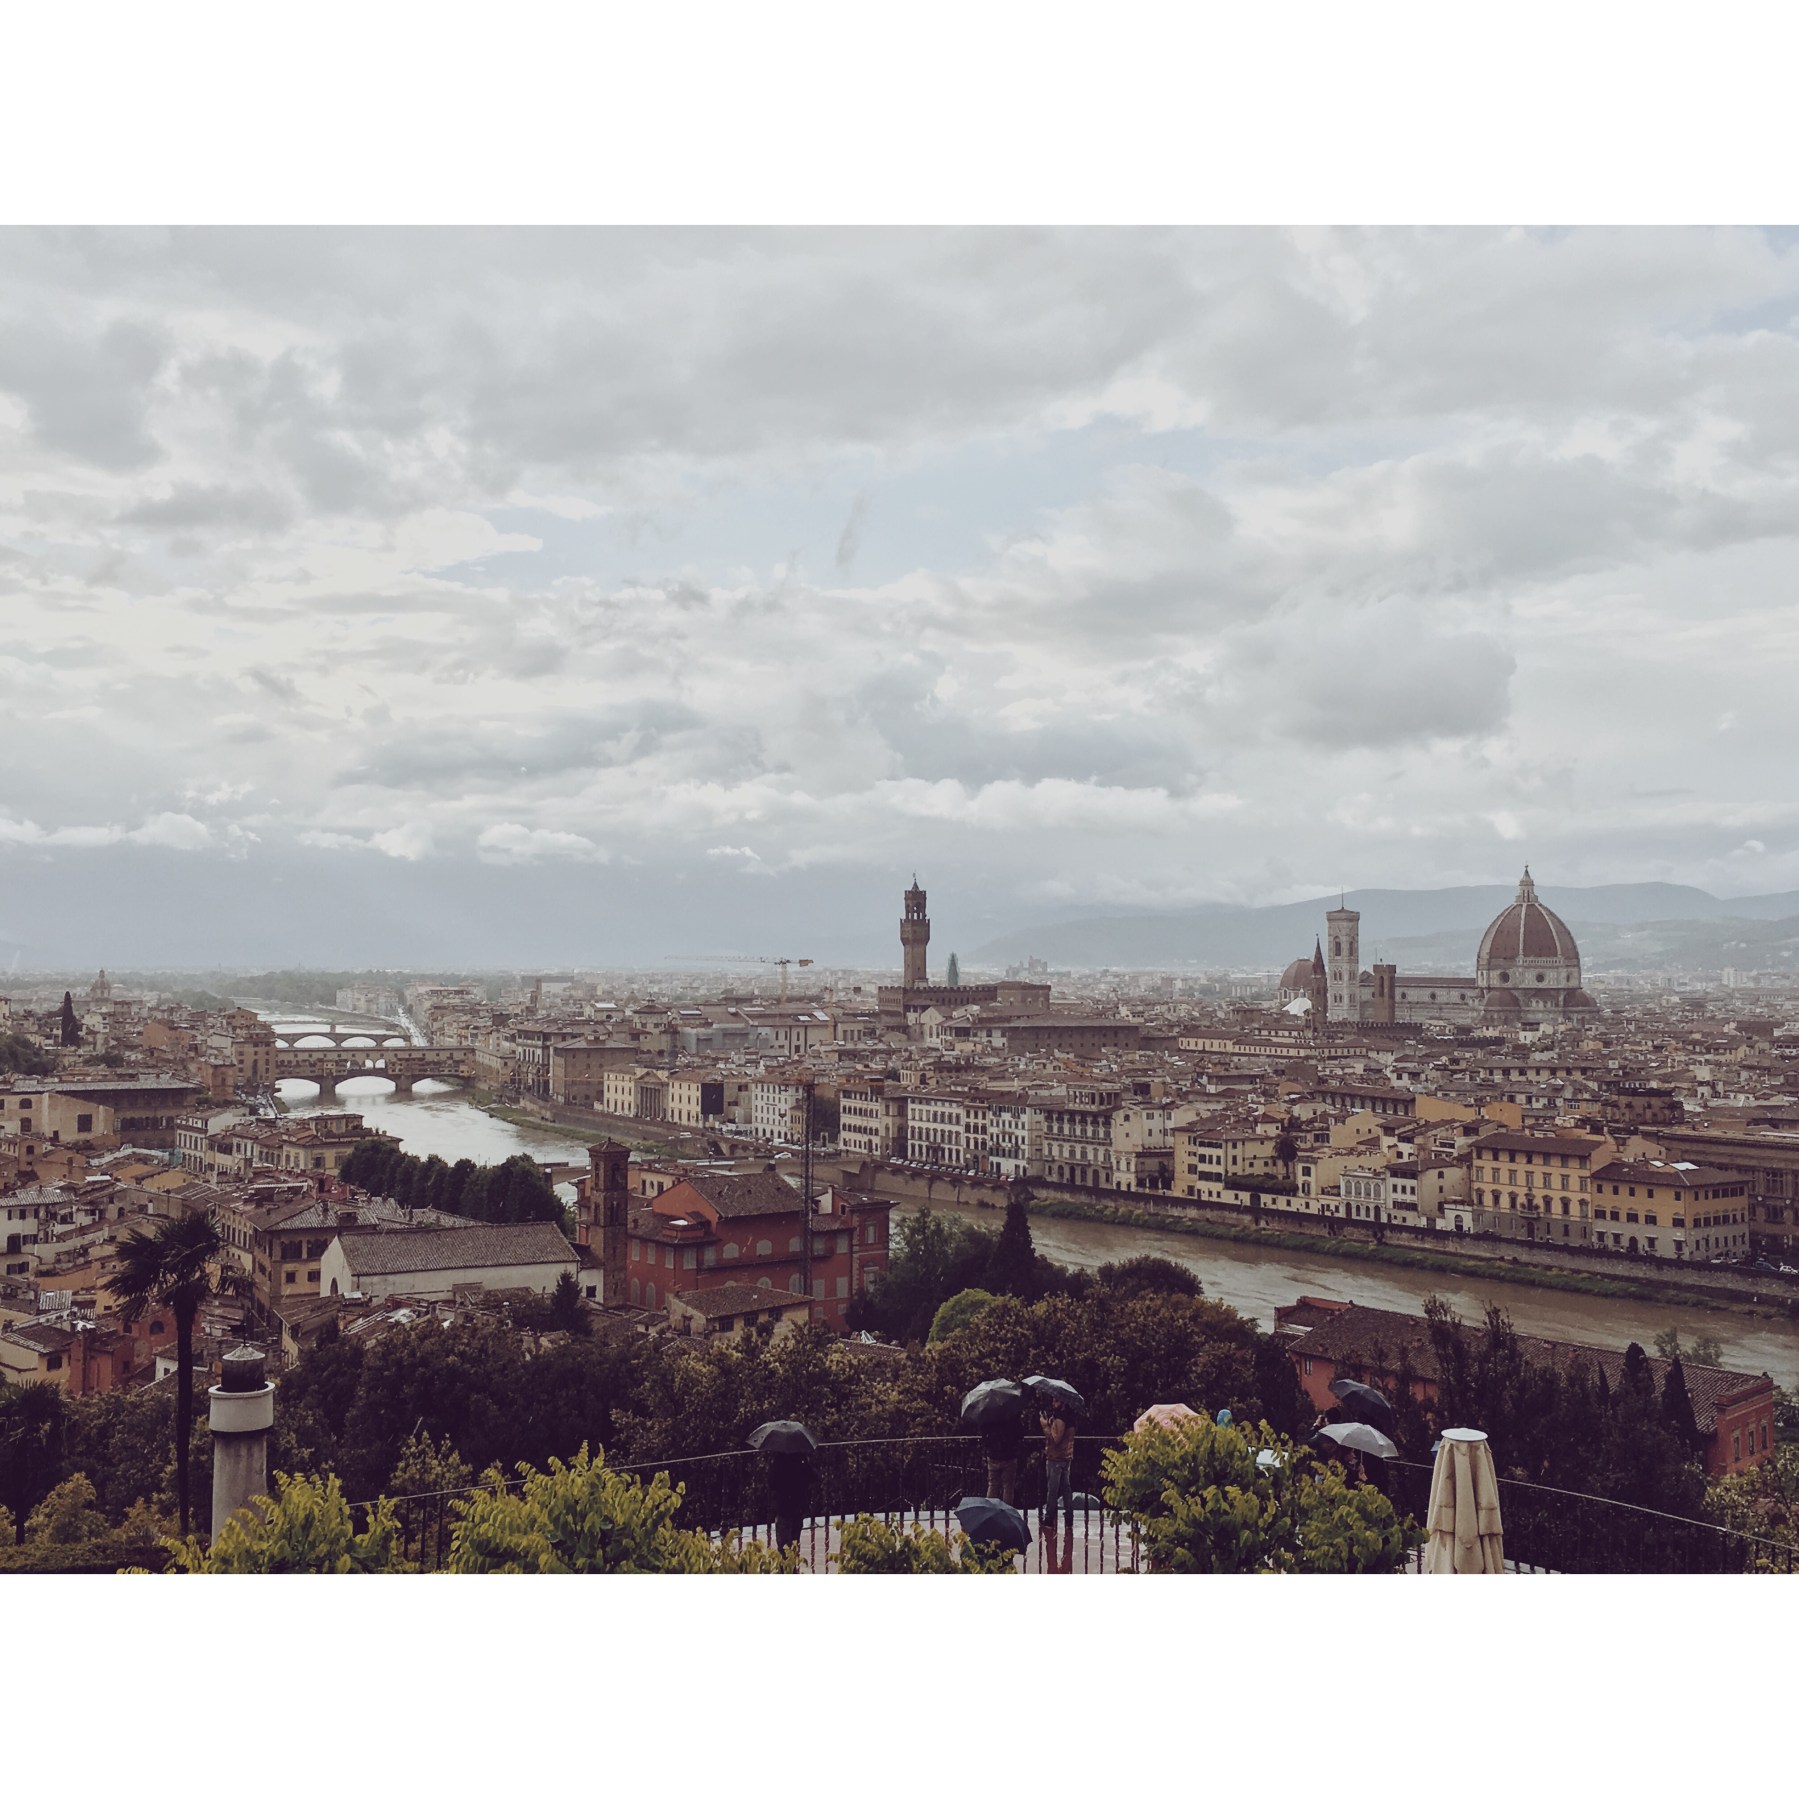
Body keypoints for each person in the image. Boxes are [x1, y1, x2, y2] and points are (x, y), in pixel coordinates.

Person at [767, 1451, 811, 1557]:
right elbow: (813, 1477)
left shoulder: (778, 1460)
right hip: (798, 1506)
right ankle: (792, 1563)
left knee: (784, 1547)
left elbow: (771, 1482)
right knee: (795, 1542)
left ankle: (786, 1564)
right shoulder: (801, 1458)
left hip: (783, 1507)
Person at [1040, 1400, 1075, 1526]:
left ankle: (1049, 1517)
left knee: (1053, 1489)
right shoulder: (1069, 1418)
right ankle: (1069, 1515)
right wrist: (1051, 1423)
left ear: (1063, 1403)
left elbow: (1055, 1439)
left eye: (1056, 1401)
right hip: (1066, 1457)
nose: (1053, 1403)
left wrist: (1045, 1425)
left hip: (1056, 1458)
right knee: (1066, 1488)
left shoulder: (1060, 1419)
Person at [981, 1405, 1025, 1504]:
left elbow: (984, 1432)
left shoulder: (989, 1414)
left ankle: (990, 1509)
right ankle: (1006, 1511)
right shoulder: (1012, 1414)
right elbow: (1020, 1433)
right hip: (1009, 1454)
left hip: (993, 1454)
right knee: (1008, 1487)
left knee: (993, 1484)